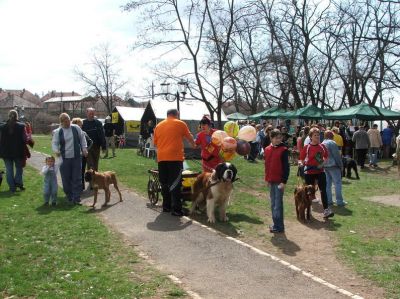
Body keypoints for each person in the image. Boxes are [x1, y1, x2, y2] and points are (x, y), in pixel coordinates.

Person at [153, 109, 195, 216]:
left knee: (165, 182)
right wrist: (194, 145)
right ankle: (176, 209)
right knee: (175, 183)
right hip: (175, 158)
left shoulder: (158, 126)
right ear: (177, 115)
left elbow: (155, 144)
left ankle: (166, 207)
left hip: (162, 158)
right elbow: (189, 137)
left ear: (167, 115)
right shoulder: (180, 123)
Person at [52, 113, 88, 204]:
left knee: (77, 177)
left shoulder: (76, 128)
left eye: (68, 120)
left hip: (76, 157)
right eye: (65, 121)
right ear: (61, 122)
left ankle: (76, 197)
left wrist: (84, 149)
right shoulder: (58, 132)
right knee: (66, 178)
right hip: (64, 159)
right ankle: (69, 195)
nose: (68, 122)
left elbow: (82, 138)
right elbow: (55, 143)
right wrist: (56, 150)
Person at [299, 127, 334, 218]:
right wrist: (301, 164)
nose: (317, 137)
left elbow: (326, 157)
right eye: (315, 135)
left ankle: (326, 210)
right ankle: (307, 211)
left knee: (323, 190)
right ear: (310, 137)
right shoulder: (307, 147)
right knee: (309, 193)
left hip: (320, 171)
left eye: (318, 135)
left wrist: (323, 163)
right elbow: (301, 159)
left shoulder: (322, 146)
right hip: (309, 172)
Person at [264, 129, 290, 233]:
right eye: (276, 138)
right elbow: (267, 165)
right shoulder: (267, 149)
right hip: (271, 180)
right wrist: (267, 179)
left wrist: (284, 181)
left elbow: (286, 167)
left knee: (277, 204)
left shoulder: (283, 150)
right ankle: (276, 224)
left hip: (279, 181)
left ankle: (279, 226)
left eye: (280, 138)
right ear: (271, 138)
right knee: (273, 203)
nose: (279, 140)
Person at [0, 110, 27, 192]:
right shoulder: (21, 126)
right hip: (18, 152)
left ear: (9, 116)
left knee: (9, 170)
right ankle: (18, 182)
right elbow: (25, 139)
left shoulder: (2, 127)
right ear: (17, 116)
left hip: (5, 152)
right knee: (19, 168)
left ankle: (12, 187)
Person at [322, 130, 347, 207]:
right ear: (332, 136)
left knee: (328, 184)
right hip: (334, 165)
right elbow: (337, 156)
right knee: (337, 183)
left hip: (325, 165)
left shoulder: (322, 143)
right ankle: (339, 201)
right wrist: (341, 165)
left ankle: (329, 200)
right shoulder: (332, 143)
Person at [71, 118, 93, 190]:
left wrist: (86, 149)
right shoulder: (70, 133)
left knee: (81, 171)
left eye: (81, 125)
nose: (80, 127)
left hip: (82, 156)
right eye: (78, 125)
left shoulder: (83, 133)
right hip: (72, 155)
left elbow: (90, 142)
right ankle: (74, 186)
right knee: (73, 171)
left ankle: (81, 186)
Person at [82, 108, 106, 173]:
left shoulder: (98, 123)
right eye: (90, 114)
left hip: (96, 147)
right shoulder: (83, 123)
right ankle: (91, 181)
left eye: (93, 114)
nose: (91, 115)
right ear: (87, 114)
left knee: (95, 164)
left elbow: (102, 135)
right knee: (90, 164)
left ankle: (95, 179)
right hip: (87, 147)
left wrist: (104, 146)